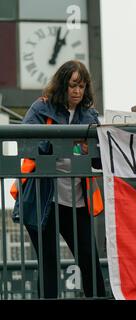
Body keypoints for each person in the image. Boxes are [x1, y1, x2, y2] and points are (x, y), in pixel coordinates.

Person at [11, 60, 106, 298]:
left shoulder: (90, 115)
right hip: (43, 199)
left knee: (89, 260)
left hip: (77, 202)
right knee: (48, 263)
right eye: (73, 85)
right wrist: (63, 143)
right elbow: (25, 145)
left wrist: (90, 150)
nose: (77, 91)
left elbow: (100, 160)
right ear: (62, 84)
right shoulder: (41, 108)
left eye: (82, 86)